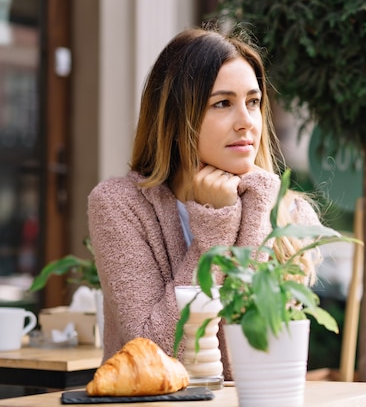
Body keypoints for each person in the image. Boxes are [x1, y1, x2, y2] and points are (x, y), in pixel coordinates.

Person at [87, 23, 322, 380]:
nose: (247, 123)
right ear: (177, 115)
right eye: (223, 103)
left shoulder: (286, 211)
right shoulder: (120, 205)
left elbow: (265, 357)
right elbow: (154, 354)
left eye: (253, 102)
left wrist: (258, 208)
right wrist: (214, 229)